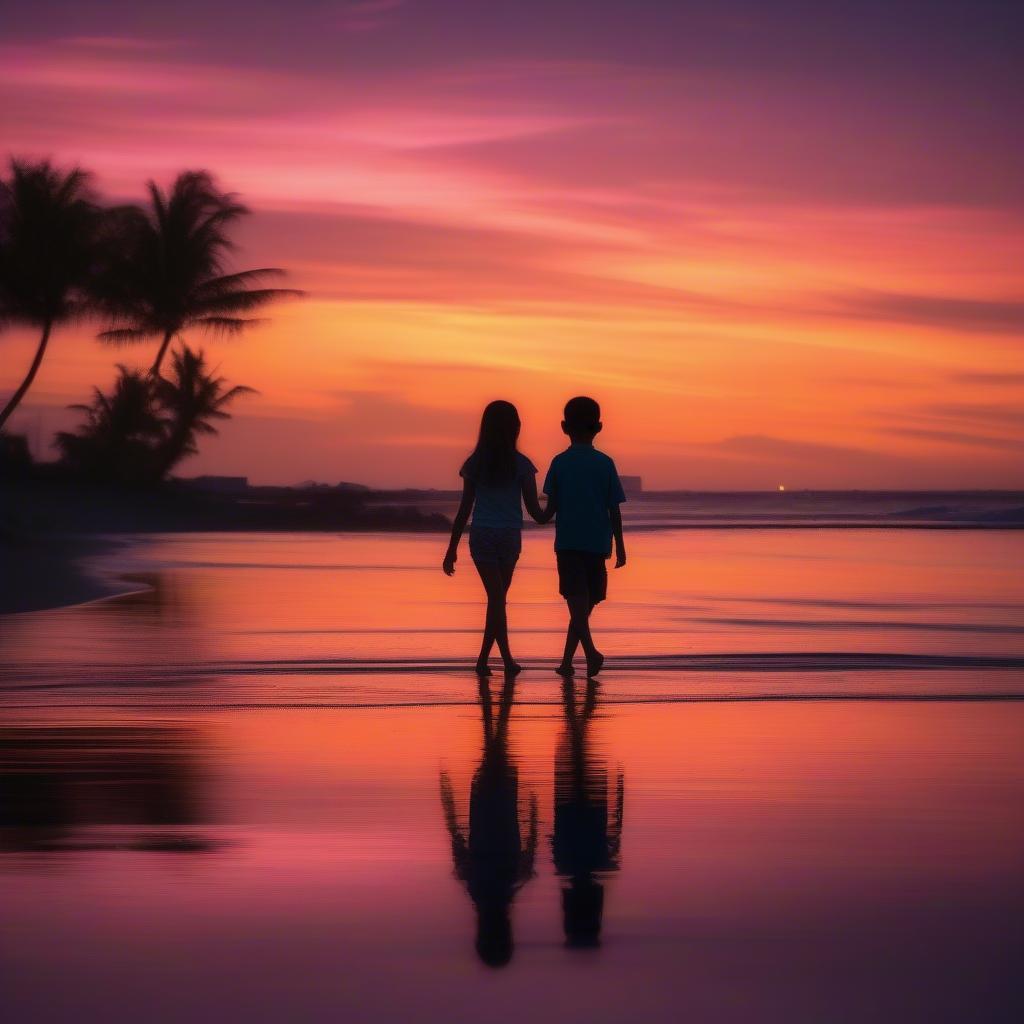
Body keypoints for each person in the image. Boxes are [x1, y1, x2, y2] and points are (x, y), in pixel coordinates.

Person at [443, 400, 549, 676]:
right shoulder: (522, 465)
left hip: (483, 535)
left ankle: (483, 661)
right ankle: (505, 659)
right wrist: (559, 503)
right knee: (498, 599)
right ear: (514, 428)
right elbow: (537, 513)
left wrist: (452, 548)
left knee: (497, 599)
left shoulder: (474, 464)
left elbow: (464, 510)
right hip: (508, 536)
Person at [440, 676, 538, 968]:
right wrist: (447, 800)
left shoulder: (505, 887)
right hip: (487, 811)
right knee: (493, 744)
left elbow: (458, 843)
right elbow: (457, 841)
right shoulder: (483, 889)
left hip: (495, 810)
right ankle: (494, 696)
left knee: (495, 744)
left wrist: (532, 815)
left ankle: (497, 696)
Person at [542, 396, 626, 677]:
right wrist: (621, 547)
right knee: (583, 604)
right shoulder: (605, 463)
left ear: (564, 427)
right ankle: (572, 660)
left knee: (578, 604)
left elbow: (549, 509)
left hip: (568, 543)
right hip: (597, 543)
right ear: (599, 427)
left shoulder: (559, 462)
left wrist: (533, 514)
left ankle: (585, 655)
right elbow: (613, 509)